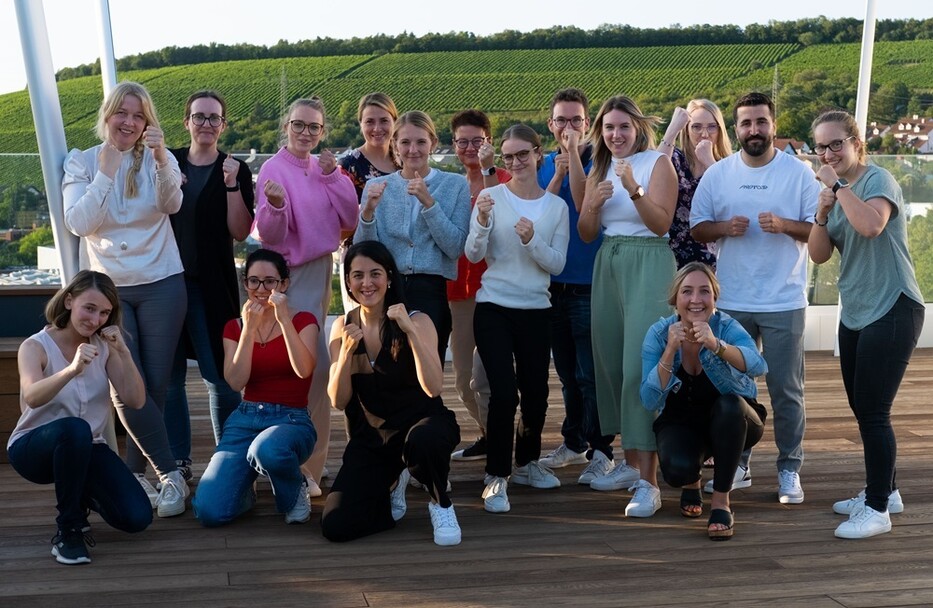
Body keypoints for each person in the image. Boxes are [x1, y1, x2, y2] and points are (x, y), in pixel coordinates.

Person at [62, 80, 189, 517]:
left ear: (148, 122)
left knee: (152, 386)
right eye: (123, 113)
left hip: (162, 282)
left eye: (139, 115)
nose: (130, 122)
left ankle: (137, 475)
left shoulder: (160, 157)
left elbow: (172, 204)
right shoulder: (81, 162)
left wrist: (158, 159)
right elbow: (80, 222)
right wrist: (107, 170)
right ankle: (170, 473)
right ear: (108, 115)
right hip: (108, 292)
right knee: (123, 385)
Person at [691, 92, 820, 505]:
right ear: (737, 129)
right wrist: (724, 227)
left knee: (786, 390)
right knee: (733, 389)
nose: (753, 130)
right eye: (746, 123)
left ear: (773, 125)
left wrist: (785, 225)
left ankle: (789, 469)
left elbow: (819, 232)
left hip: (784, 299)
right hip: (733, 299)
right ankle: (738, 464)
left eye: (761, 122)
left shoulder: (799, 173)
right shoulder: (719, 174)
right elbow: (697, 229)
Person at [809, 110, 925, 539]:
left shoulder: (878, 181)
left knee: (874, 412)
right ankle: (886, 490)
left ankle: (877, 510)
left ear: (856, 143)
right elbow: (819, 255)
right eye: (821, 146)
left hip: (894, 306)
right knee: (863, 408)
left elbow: (872, 225)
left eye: (836, 143)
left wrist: (836, 188)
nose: (828, 152)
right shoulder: (833, 192)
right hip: (856, 310)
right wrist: (821, 213)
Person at [322, 241, 462, 546]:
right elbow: (338, 400)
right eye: (358, 275)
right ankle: (392, 483)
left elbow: (434, 387)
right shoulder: (341, 327)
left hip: (421, 425)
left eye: (375, 274)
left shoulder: (418, 319)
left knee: (425, 441)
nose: (367, 283)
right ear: (347, 282)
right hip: (373, 439)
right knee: (336, 524)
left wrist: (410, 332)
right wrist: (346, 354)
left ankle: (441, 503)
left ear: (388, 276)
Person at [252, 96, 358, 497]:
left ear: (323, 132)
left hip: (318, 273)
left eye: (314, 127)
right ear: (286, 126)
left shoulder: (323, 169)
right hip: (285, 278)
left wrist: (334, 177)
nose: (306, 133)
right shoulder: (272, 169)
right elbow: (271, 235)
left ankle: (309, 465)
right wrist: (277, 206)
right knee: (288, 364)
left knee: (313, 365)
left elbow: (349, 219)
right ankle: (283, 461)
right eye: (299, 125)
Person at [8, 270, 152, 564]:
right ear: (69, 300)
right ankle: (68, 530)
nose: (96, 320)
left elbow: (136, 400)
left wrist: (123, 352)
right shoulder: (34, 346)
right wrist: (72, 369)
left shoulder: (104, 347)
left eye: (104, 313)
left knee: (137, 518)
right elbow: (33, 397)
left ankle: (81, 494)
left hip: (87, 447)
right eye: (89, 308)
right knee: (74, 429)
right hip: (33, 448)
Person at [578, 94, 677, 517]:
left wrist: (633, 190)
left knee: (644, 365)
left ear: (638, 128)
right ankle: (630, 462)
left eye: (623, 127)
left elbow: (661, 223)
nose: (615, 135)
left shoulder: (657, 164)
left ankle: (650, 483)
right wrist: (594, 204)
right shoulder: (597, 167)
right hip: (610, 262)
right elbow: (585, 233)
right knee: (613, 366)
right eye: (608, 127)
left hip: (649, 261)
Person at [466, 124, 569, 513]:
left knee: (537, 393)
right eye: (508, 157)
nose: (515, 162)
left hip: (536, 310)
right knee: (504, 393)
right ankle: (496, 475)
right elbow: (474, 255)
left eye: (522, 154)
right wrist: (481, 222)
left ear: (538, 154)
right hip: (493, 306)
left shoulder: (555, 208)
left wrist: (531, 241)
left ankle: (526, 463)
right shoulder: (490, 196)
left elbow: (556, 263)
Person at [641, 262, 768, 540]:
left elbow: (759, 365)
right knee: (676, 471)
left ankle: (721, 501)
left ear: (714, 298)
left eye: (704, 292)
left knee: (731, 406)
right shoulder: (659, 334)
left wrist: (716, 346)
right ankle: (691, 482)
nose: (696, 300)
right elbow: (649, 399)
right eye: (687, 292)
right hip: (684, 421)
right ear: (675, 299)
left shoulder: (725, 326)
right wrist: (669, 351)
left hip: (734, 421)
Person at [192, 249, 318, 526]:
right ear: (245, 283)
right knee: (209, 511)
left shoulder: (303, 320)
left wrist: (283, 319)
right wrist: (249, 329)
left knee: (268, 450)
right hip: (246, 417)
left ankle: (293, 491)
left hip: (292, 419)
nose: (261, 289)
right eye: (254, 281)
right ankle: (243, 493)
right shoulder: (234, 327)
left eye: (270, 281)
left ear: (284, 284)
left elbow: (303, 369)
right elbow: (236, 382)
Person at [166, 90, 254, 473]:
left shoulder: (234, 168)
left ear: (223, 125)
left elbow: (239, 231)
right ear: (186, 121)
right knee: (169, 380)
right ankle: (178, 462)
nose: (206, 124)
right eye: (199, 117)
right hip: (165, 283)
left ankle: (228, 460)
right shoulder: (167, 161)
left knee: (220, 377)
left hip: (210, 286)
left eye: (213, 118)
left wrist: (232, 184)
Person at [535, 87, 616, 487]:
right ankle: (573, 440)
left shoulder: (601, 164)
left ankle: (602, 449)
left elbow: (588, 213)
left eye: (576, 120)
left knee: (590, 373)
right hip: (552, 286)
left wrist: (572, 163)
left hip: (589, 284)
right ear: (551, 125)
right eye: (561, 120)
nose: (569, 128)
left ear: (588, 125)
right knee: (566, 373)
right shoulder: (541, 167)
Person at [354, 110, 471, 366]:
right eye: (405, 142)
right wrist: (368, 213)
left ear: (433, 143)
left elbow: (455, 248)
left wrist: (429, 204)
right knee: (388, 371)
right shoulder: (378, 188)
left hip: (430, 290)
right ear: (394, 144)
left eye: (420, 141)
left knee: (428, 369)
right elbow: (363, 252)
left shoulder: (455, 185)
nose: (413, 149)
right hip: (387, 290)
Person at [447, 109, 510, 462]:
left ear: (489, 141)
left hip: (497, 289)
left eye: (477, 140)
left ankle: (502, 444)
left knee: (491, 377)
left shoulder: (503, 180)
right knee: (462, 379)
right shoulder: (452, 186)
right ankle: (490, 434)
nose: (470, 147)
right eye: (462, 141)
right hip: (458, 291)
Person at [338, 92, 400, 314]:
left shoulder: (402, 160)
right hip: (361, 260)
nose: (377, 128)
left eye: (384, 120)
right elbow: (340, 223)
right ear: (360, 124)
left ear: (394, 121)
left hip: (397, 258)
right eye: (370, 121)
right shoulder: (349, 165)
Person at [658, 99, 732, 269]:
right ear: (686, 130)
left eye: (711, 127)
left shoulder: (727, 165)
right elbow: (654, 174)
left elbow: (732, 202)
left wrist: (709, 163)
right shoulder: (675, 158)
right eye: (696, 126)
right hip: (670, 257)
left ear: (720, 130)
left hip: (713, 259)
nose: (704, 134)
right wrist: (672, 129)